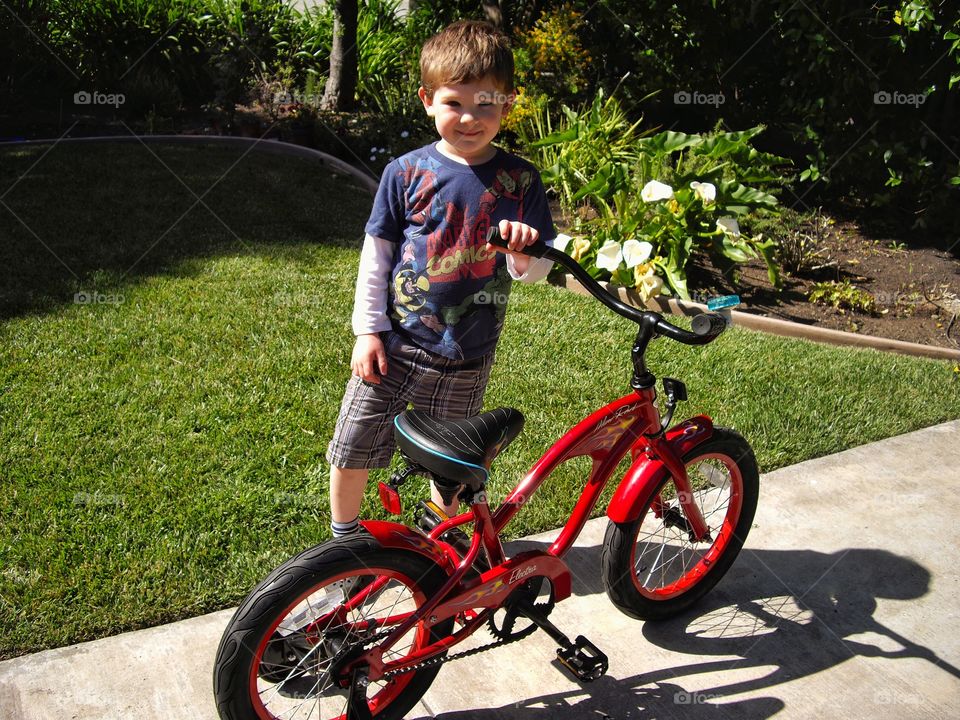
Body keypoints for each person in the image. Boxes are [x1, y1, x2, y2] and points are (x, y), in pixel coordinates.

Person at [326, 19, 555, 539]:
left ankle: (438, 544)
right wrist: (367, 330)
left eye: (486, 104)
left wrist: (524, 250)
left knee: (449, 465)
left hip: (468, 353)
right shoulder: (404, 173)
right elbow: (378, 254)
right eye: (454, 103)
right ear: (428, 100)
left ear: (509, 103)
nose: (470, 118)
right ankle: (345, 544)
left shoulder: (521, 181)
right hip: (397, 345)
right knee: (353, 443)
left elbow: (534, 273)